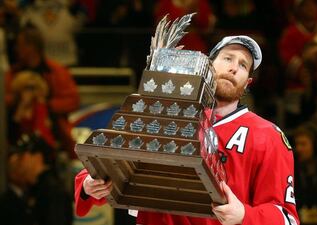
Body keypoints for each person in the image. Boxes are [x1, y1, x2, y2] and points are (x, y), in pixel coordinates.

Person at [74, 35, 300, 225]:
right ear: (208, 65)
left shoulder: (267, 135)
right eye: (228, 58)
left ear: (248, 82)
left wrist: (244, 215)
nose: (233, 67)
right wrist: (89, 184)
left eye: (243, 65)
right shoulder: (163, 112)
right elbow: (111, 155)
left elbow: (286, 217)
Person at [5, 26, 80, 158]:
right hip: (15, 135)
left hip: (52, 136)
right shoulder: (12, 73)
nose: (16, 49)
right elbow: (4, 100)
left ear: (31, 47)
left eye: (20, 45)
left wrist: (45, 104)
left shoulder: (56, 71)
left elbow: (73, 100)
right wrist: (19, 100)